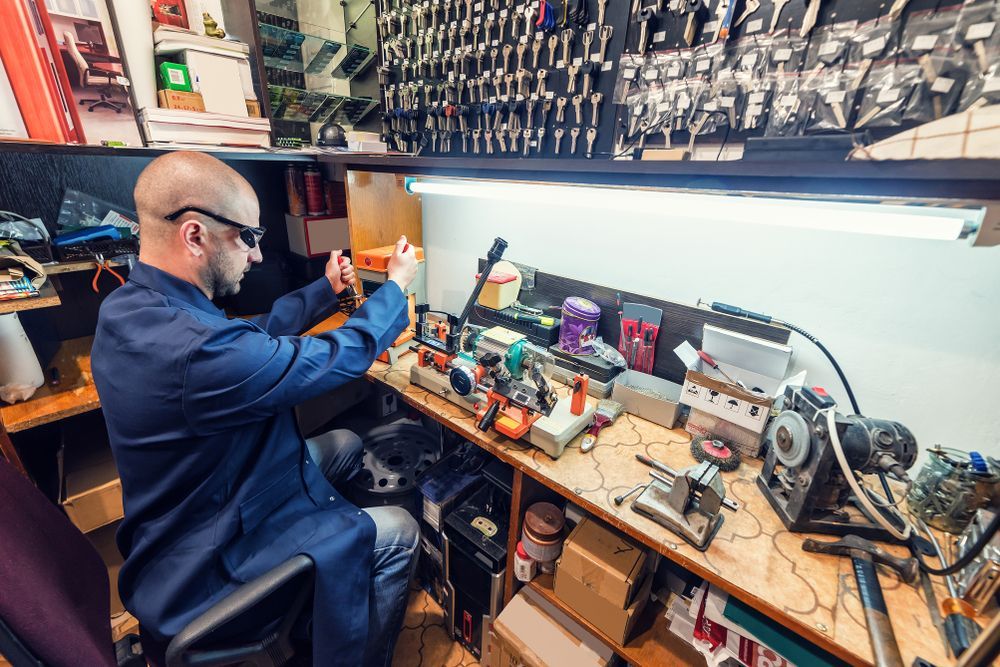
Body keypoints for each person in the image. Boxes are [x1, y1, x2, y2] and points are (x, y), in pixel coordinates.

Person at [91, 152, 420, 667]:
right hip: (209, 556)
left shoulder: (132, 308)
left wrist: (324, 291)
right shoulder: (193, 353)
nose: (258, 256)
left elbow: (246, 339)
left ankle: (327, 595)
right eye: (248, 237)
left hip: (206, 496)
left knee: (347, 443)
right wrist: (396, 287)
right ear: (195, 234)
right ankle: (347, 622)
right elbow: (337, 357)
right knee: (400, 531)